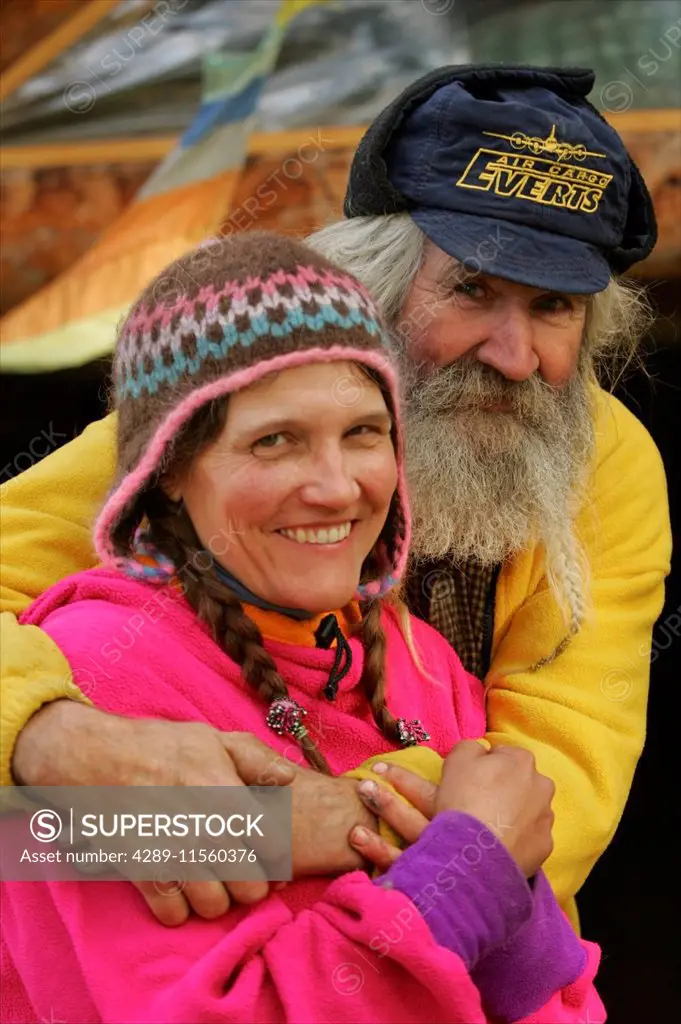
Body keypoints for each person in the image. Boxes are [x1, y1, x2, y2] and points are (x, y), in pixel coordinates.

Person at [0, 64, 671, 931]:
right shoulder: (226, 404)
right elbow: (29, 843)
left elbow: (556, 793)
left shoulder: (604, 463)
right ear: (379, 285)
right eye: (470, 289)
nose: (513, 353)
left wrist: (267, 833)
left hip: (457, 946)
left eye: (553, 307)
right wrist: (50, 738)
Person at [1, 233, 604, 1024]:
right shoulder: (95, 684)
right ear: (171, 469)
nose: (335, 486)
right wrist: (464, 873)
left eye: (363, 432)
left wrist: (503, 894)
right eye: (274, 440)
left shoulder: (420, 663)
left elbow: (555, 1002)